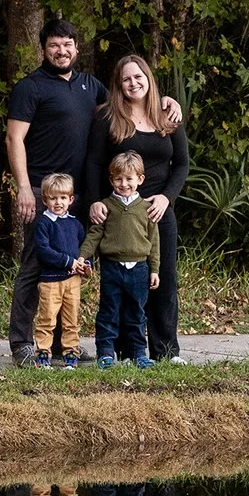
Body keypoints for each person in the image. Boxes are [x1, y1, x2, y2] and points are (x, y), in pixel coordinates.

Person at [2, 19, 181, 368]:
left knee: (73, 269)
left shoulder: (90, 86)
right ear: (44, 48)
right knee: (37, 264)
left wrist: (166, 100)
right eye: (54, 45)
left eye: (67, 44)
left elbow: (129, 99)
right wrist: (24, 187)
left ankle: (60, 343)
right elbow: (14, 139)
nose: (61, 51)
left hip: (82, 194)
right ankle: (23, 343)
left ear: (76, 48)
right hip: (45, 191)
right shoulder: (30, 88)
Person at [89, 54, 190, 362]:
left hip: (158, 212)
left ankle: (165, 351)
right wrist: (95, 201)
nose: (133, 83)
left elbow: (182, 164)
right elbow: (93, 164)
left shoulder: (167, 117)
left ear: (149, 79)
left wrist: (166, 198)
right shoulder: (107, 117)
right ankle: (123, 350)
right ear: (118, 86)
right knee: (121, 283)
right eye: (126, 79)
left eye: (138, 77)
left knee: (164, 280)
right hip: (120, 215)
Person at [78, 152, 162, 367]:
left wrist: (154, 270)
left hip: (139, 268)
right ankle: (105, 352)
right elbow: (94, 235)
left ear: (140, 179)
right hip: (112, 267)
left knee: (136, 313)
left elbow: (153, 241)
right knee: (109, 311)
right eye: (118, 179)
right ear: (111, 180)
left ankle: (138, 353)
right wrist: (81, 256)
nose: (123, 184)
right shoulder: (106, 206)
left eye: (129, 179)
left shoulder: (146, 208)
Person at [27, 175, 89, 368]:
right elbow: (44, 251)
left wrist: (85, 263)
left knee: (71, 320)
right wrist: (68, 262)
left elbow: (84, 247)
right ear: (45, 200)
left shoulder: (75, 224)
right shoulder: (44, 223)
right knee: (47, 319)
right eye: (53, 198)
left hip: (73, 281)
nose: (58, 203)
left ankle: (71, 352)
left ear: (70, 200)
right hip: (51, 282)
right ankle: (43, 353)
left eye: (63, 198)